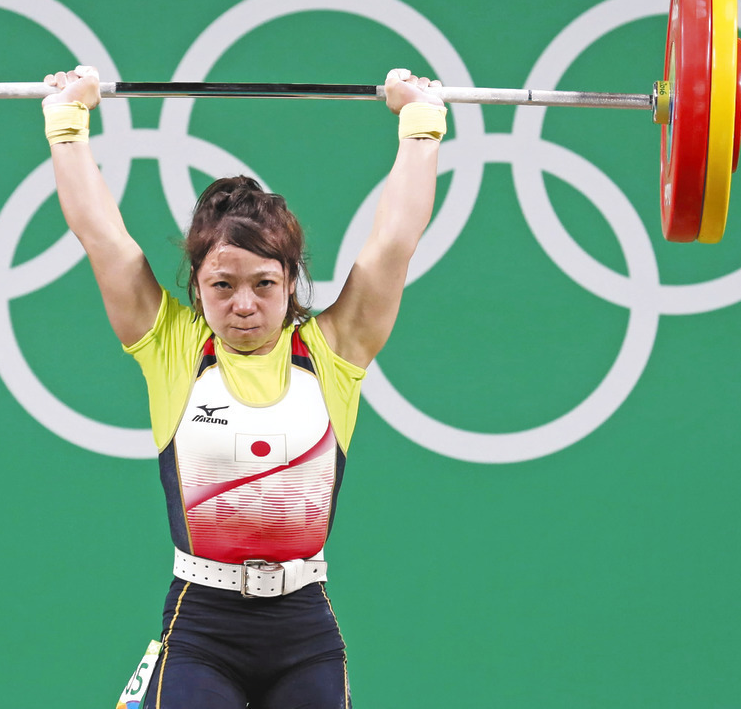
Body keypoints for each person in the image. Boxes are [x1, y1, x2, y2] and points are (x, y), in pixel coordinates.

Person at [42, 65, 447, 709]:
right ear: (197, 285)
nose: (244, 305)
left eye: (264, 284)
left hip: (304, 632)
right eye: (222, 285)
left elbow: (395, 242)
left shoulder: (334, 350)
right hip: (202, 629)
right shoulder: (174, 346)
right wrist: (67, 120)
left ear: (290, 281)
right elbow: (101, 235)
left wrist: (420, 123)